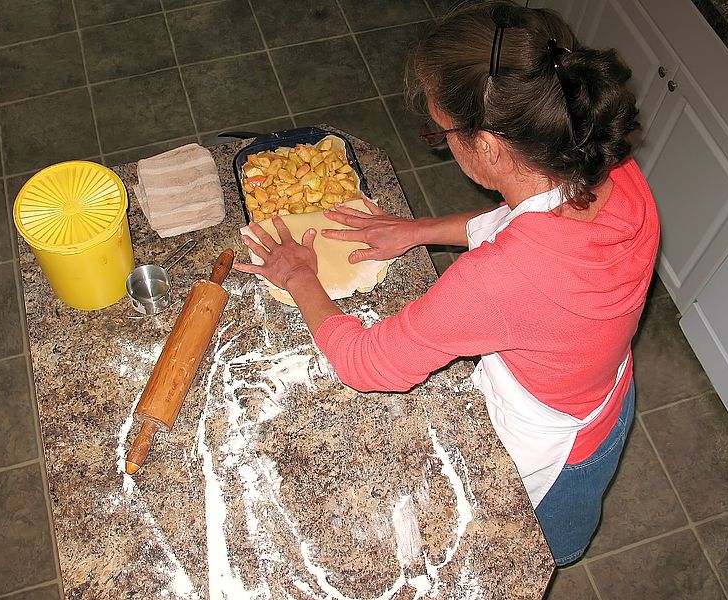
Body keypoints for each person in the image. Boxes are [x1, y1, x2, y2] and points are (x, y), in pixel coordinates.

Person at [233, 0, 659, 567]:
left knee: (530, 555)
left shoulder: (499, 280)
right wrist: (418, 231)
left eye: (443, 132)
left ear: (486, 146)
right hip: (606, 388)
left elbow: (367, 362)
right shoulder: (608, 169)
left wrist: (300, 277)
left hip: (559, 448)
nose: (442, 140)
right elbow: (532, 228)